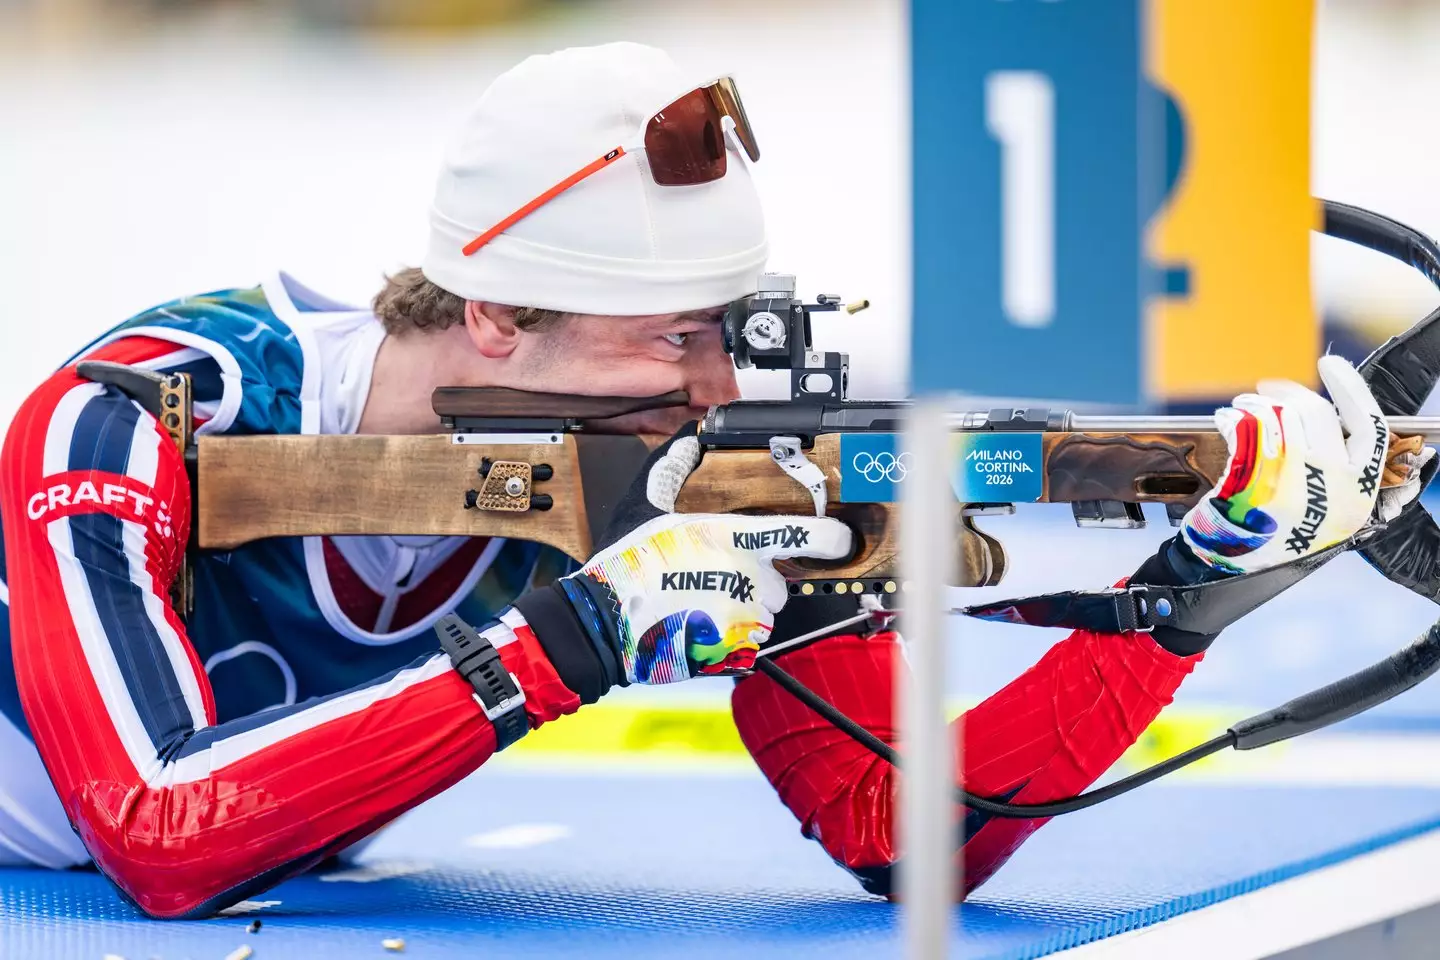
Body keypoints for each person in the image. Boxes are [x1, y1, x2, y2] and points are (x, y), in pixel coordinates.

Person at [0, 41, 1425, 920]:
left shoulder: (685, 465)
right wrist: (574, 646)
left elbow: (903, 835)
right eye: (672, 338)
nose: (719, 389)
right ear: (494, 316)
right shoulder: (136, 418)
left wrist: (1192, 592)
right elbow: (154, 838)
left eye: (736, 329)